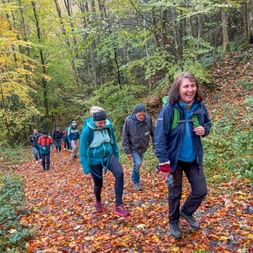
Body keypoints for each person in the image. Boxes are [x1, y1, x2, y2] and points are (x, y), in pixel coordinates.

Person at [154, 72, 212, 239]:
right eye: (186, 86)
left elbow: (207, 123)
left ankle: (186, 212)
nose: (190, 89)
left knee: (201, 190)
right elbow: (159, 138)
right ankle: (173, 221)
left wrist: (205, 129)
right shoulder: (169, 109)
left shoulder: (199, 106)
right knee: (174, 193)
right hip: (174, 160)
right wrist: (164, 164)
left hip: (194, 157)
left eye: (192, 85)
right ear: (178, 89)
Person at [79, 110, 130, 217]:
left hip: (108, 155)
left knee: (120, 173)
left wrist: (116, 158)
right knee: (98, 183)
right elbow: (82, 151)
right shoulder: (87, 130)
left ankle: (118, 205)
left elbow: (114, 142)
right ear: (94, 121)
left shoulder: (108, 126)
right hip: (94, 159)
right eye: (100, 123)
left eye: (104, 122)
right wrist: (86, 169)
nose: (102, 125)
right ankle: (98, 201)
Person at [122, 104, 154, 191]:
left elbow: (153, 133)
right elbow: (125, 136)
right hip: (133, 147)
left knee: (138, 165)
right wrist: (127, 151)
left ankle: (134, 177)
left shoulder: (148, 119)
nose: (141, 116)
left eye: (143, 115)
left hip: (143, 147)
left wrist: (156, 146)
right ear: (135, 113)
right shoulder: (129, 121)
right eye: (139, 115)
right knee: (138, 163)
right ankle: (136, 182)